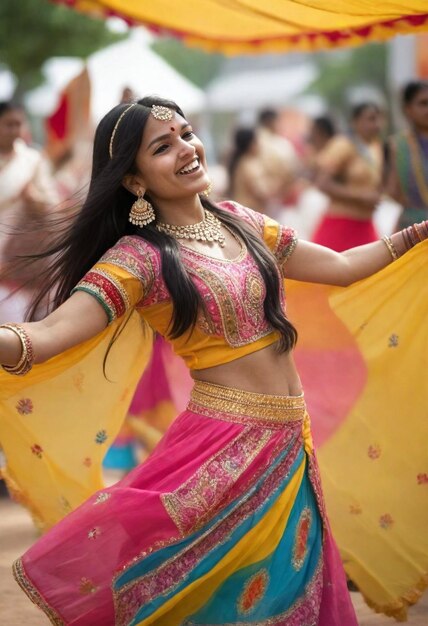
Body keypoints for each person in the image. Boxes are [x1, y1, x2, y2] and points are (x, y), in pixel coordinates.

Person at [0, 95, 426, 625]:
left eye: (186, 133)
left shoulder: (239, 220)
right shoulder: (139, 257)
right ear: (134, 180)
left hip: (291, 442)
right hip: (220, 451)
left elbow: (340, 266)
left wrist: (419, 233)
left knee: (296, 591)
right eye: (163, 146)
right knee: (221, 601)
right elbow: (47, 336)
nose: (186, 148)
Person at [0, 101, 59, 321]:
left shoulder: (31, 160)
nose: (15, 130)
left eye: (19, 124)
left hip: (11, 250)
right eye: (8, 124)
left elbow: (51, 205)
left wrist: (34, 199)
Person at [311, 102, 384, 251]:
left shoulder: (374, 147)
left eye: (379, 119)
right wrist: (360, 196)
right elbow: (322, 183)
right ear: (355, 122)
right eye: (370, 119)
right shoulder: (343, 145)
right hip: (341, 223)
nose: (376, 124)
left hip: (365, 223)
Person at [386, 80, 428, 229]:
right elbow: (392, 189)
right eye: (423, 103)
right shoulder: (398, 145)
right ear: (408, 109)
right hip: (412, 224)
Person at [256, 108, 299, 216]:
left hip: (265, 197)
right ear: (270, 122)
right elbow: (291, 170)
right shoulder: (279, 144)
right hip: (274, 196)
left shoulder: (255, 141)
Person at [227, 127, 276, 212]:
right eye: (257, 141)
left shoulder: (240, 162)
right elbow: (263, 193)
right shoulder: (249, 166)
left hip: (241, 211)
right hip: (250, 213)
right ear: (251, 144)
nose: (260, 144)